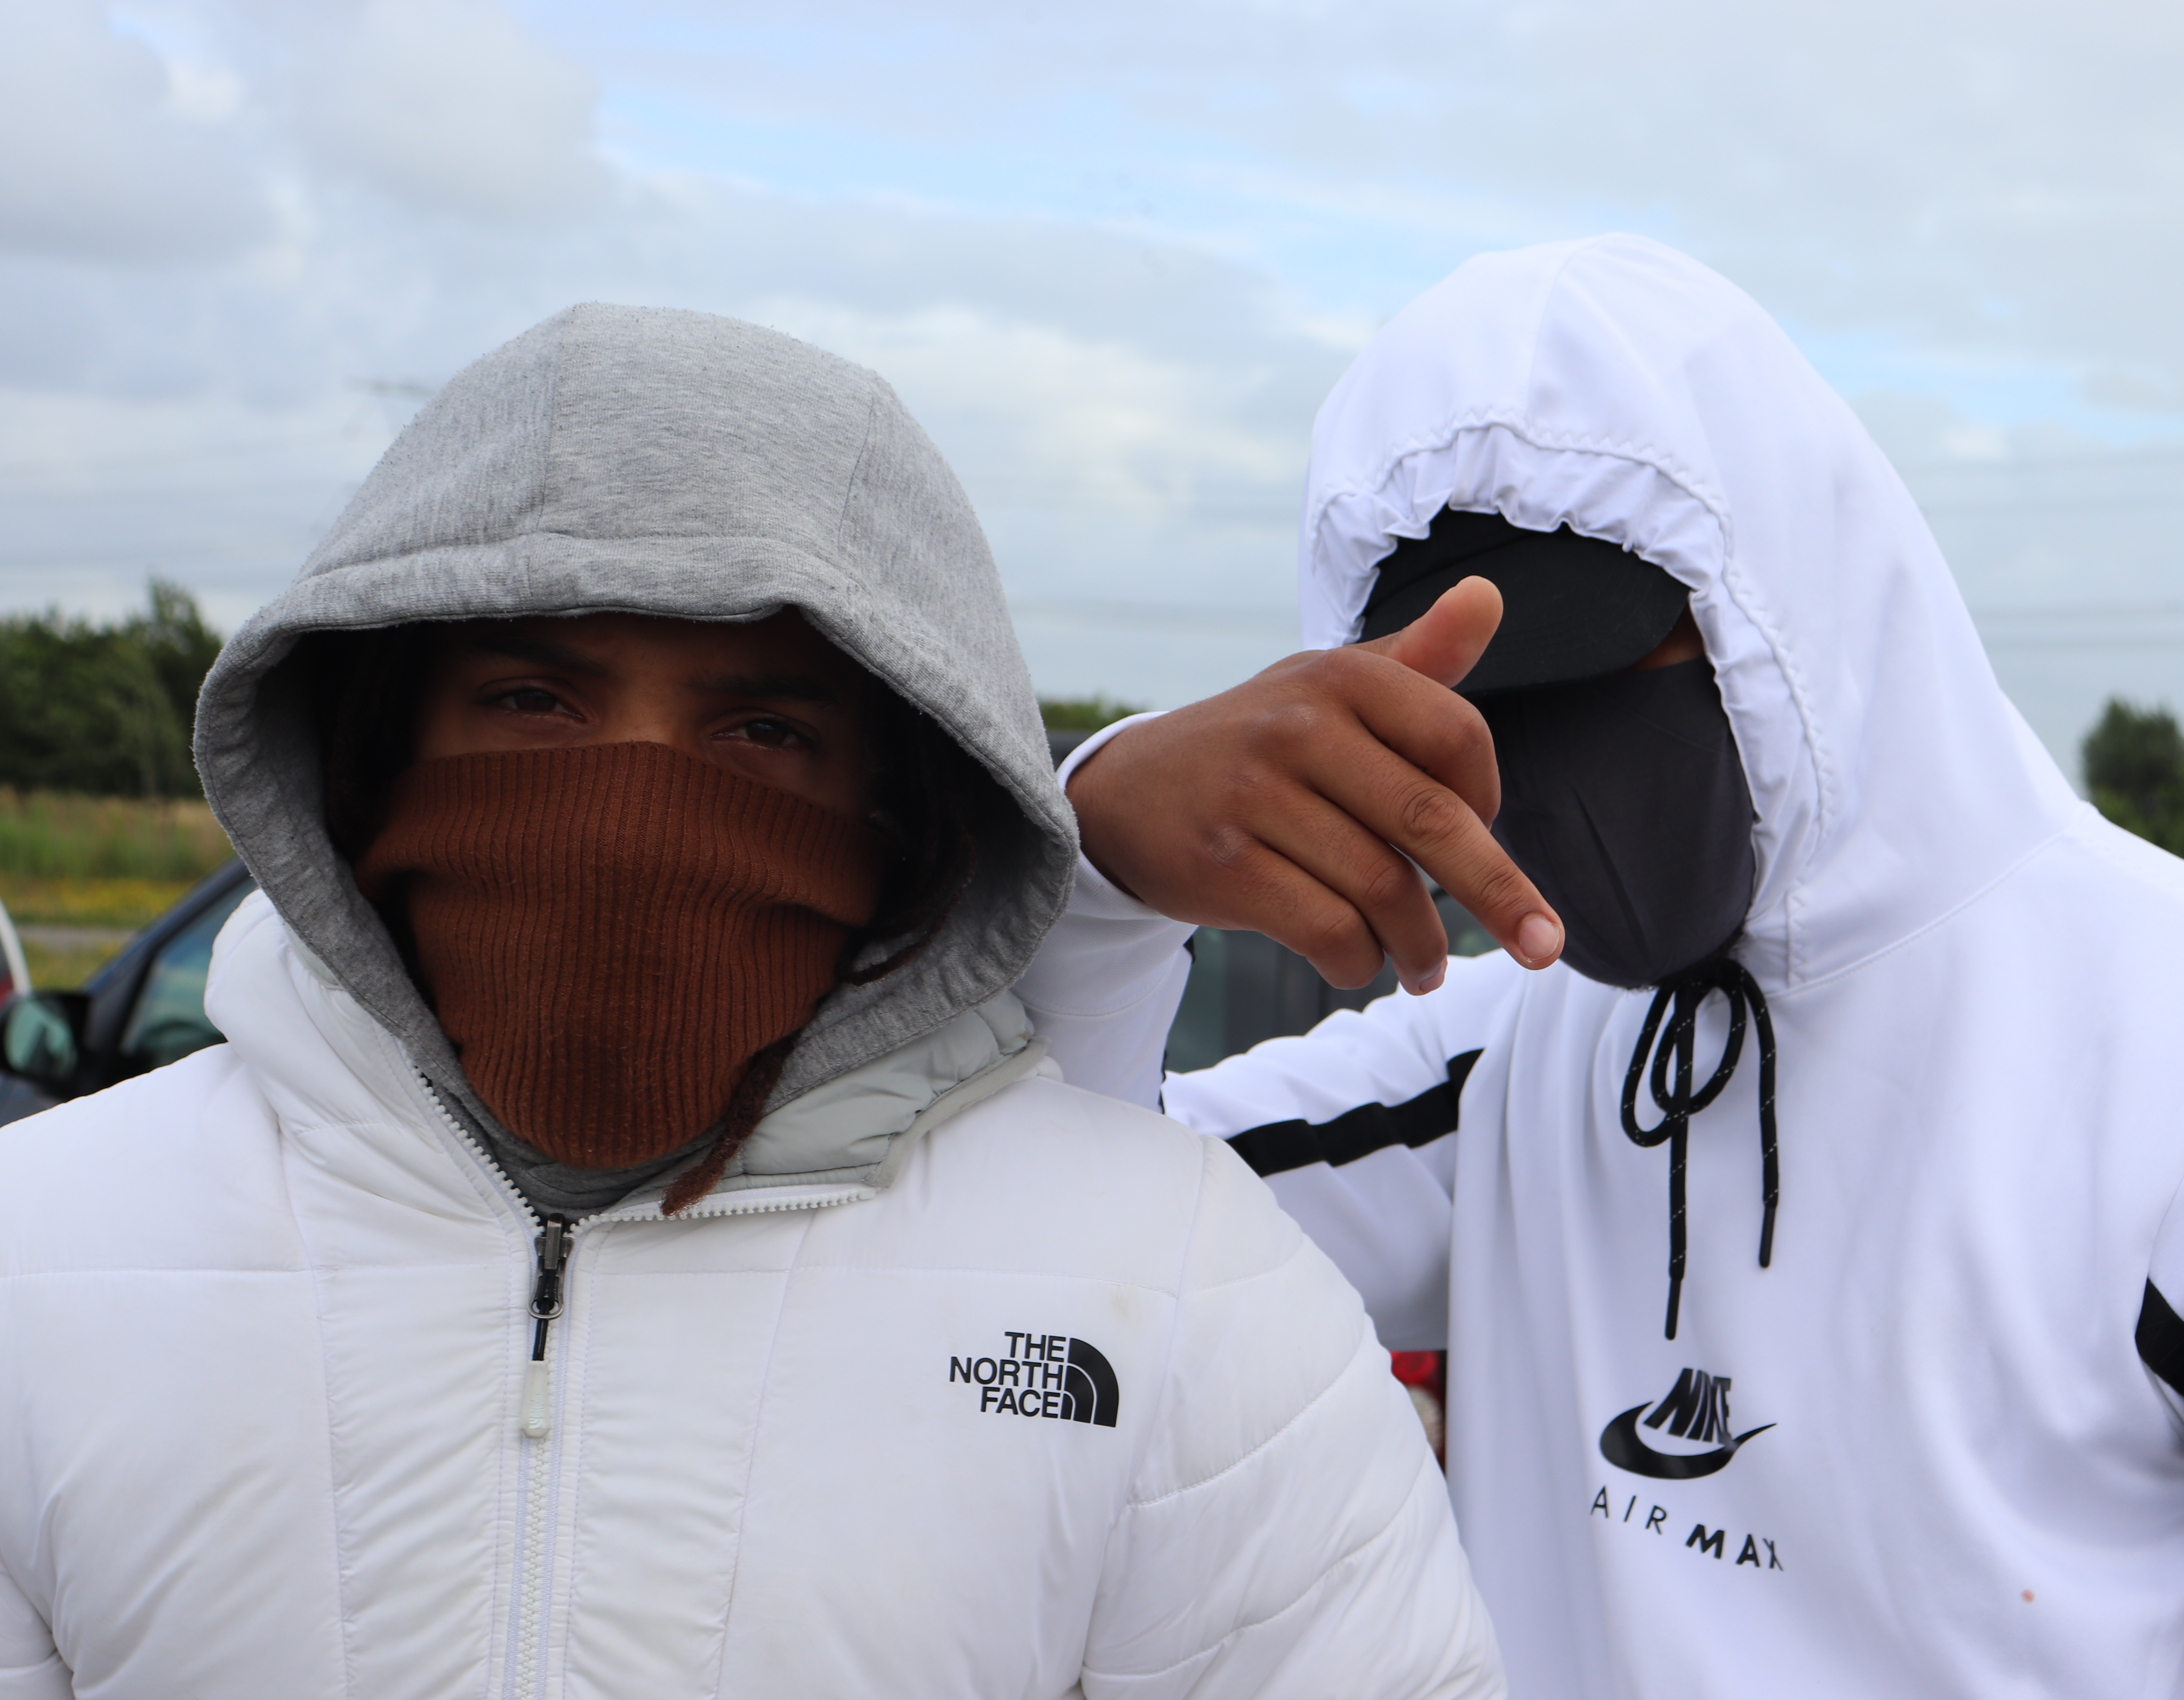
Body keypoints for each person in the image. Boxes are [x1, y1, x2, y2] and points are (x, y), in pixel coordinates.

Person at [1028, 236, 2184, 1696]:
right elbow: (1043, 1251)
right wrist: (1090, 866)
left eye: (1600, 670)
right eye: (1464, 711)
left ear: (1792, 605)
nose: (1538, 767)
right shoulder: (1508, 1065)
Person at [0, 305, 1503, 1698]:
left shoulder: (1180, 1278)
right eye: (535, 702)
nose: (638, 807)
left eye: (765, 730)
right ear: (373, 747)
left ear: (903, 808)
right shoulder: (40, 1251)